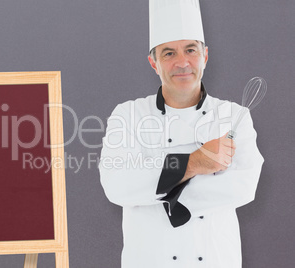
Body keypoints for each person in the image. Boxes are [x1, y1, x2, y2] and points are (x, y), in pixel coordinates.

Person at [99, 0, 264, 267]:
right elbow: (117, 185)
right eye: (168, 53)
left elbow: (244, 187)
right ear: (153, 63)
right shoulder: (128, 115)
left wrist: (156, 184)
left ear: (205, 56)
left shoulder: (234, 116)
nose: (182, 62)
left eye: (190, 50)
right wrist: (196, 161)